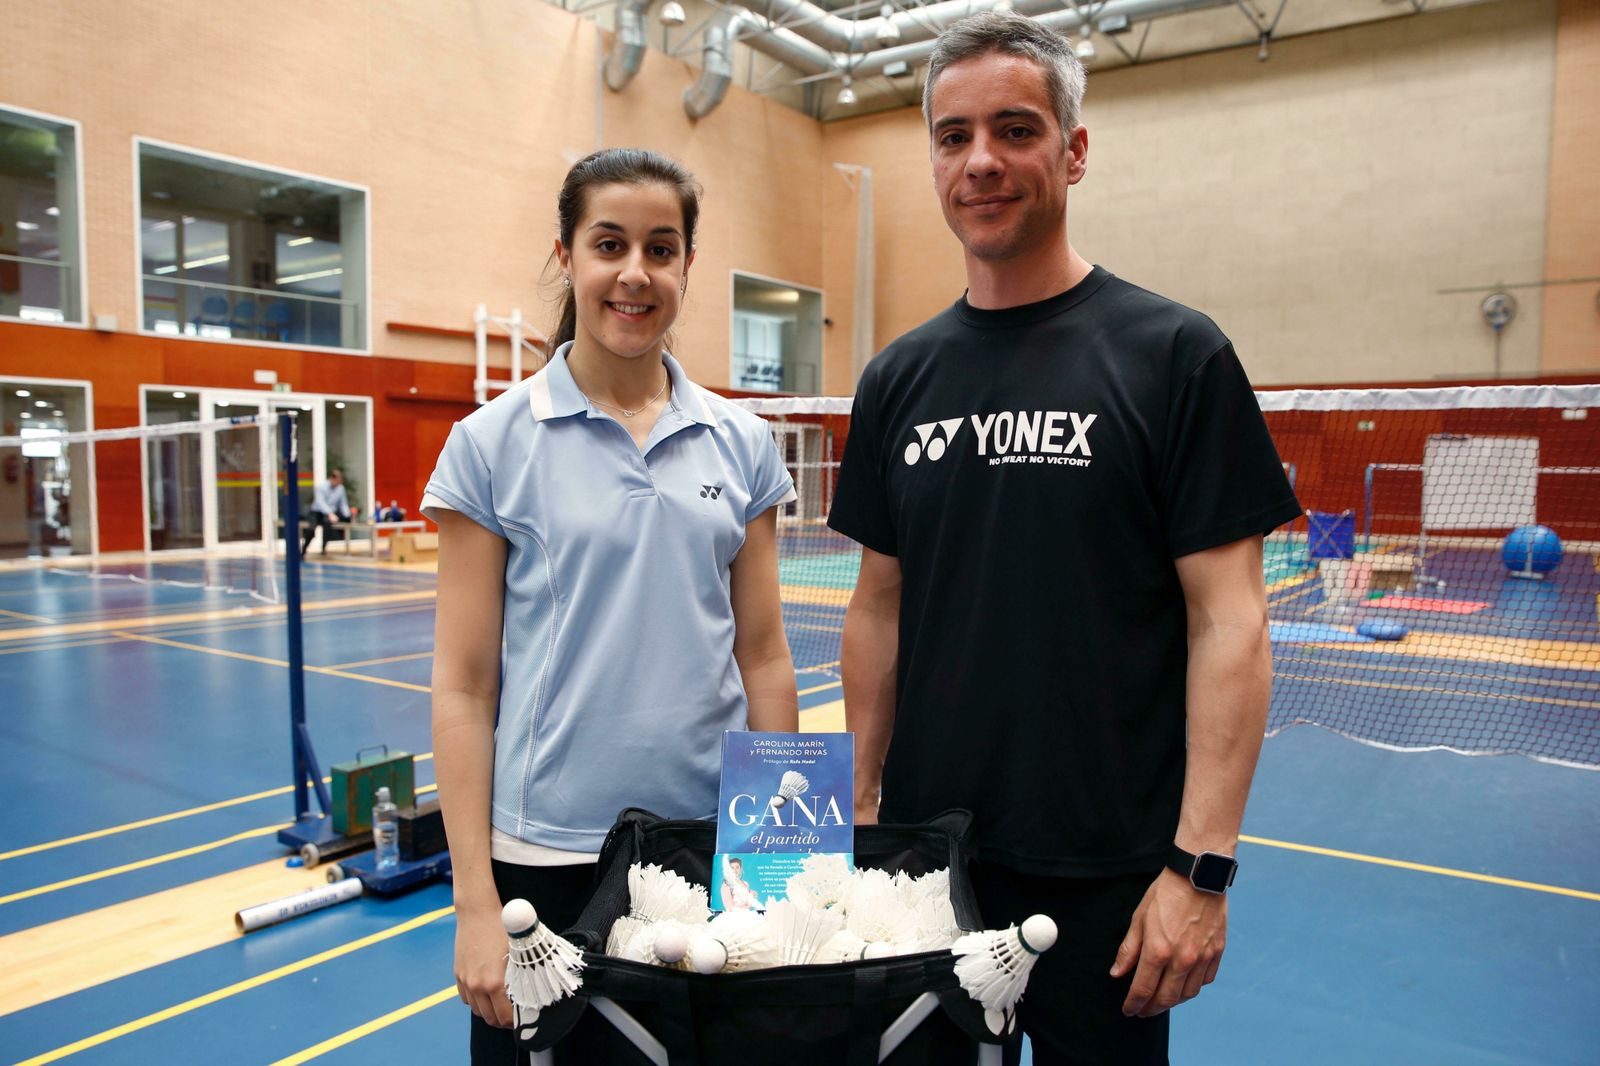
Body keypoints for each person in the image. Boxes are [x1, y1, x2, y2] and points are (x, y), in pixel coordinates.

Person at [826, 13, 1302, 1064]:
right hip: (927, 870)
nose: (981, 161)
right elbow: (877, 605)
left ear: (1073, 150)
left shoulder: (1172, 354)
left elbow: (1230, 621)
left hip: (1112, 878)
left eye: (1014, 129)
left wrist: (1200, 868)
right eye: (953, 137)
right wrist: (859, 811)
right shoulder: (898, 378)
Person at [423, 148, 800, 1064]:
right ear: (568, 256)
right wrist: (475, 902)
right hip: (543, 863)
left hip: (709, 850)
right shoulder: (489, 444)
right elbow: (465, 687)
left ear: (685, 267)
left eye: (660, 249)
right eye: (609, 244)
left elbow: (765, 656)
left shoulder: (740, 444)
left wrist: (780, 862)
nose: (635, 273)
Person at [300, 468, 350, 557]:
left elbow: (343, 503)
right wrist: (329, 513)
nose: (339, 483)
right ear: (332, 479)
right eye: (337, 480)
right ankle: (304, 549)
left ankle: (323, 548)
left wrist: (348, 515)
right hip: (317, 512)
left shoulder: (340, 489)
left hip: (330, 514)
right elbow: (320, 503)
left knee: (328, 525)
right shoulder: (321, 487)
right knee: (311, 529)